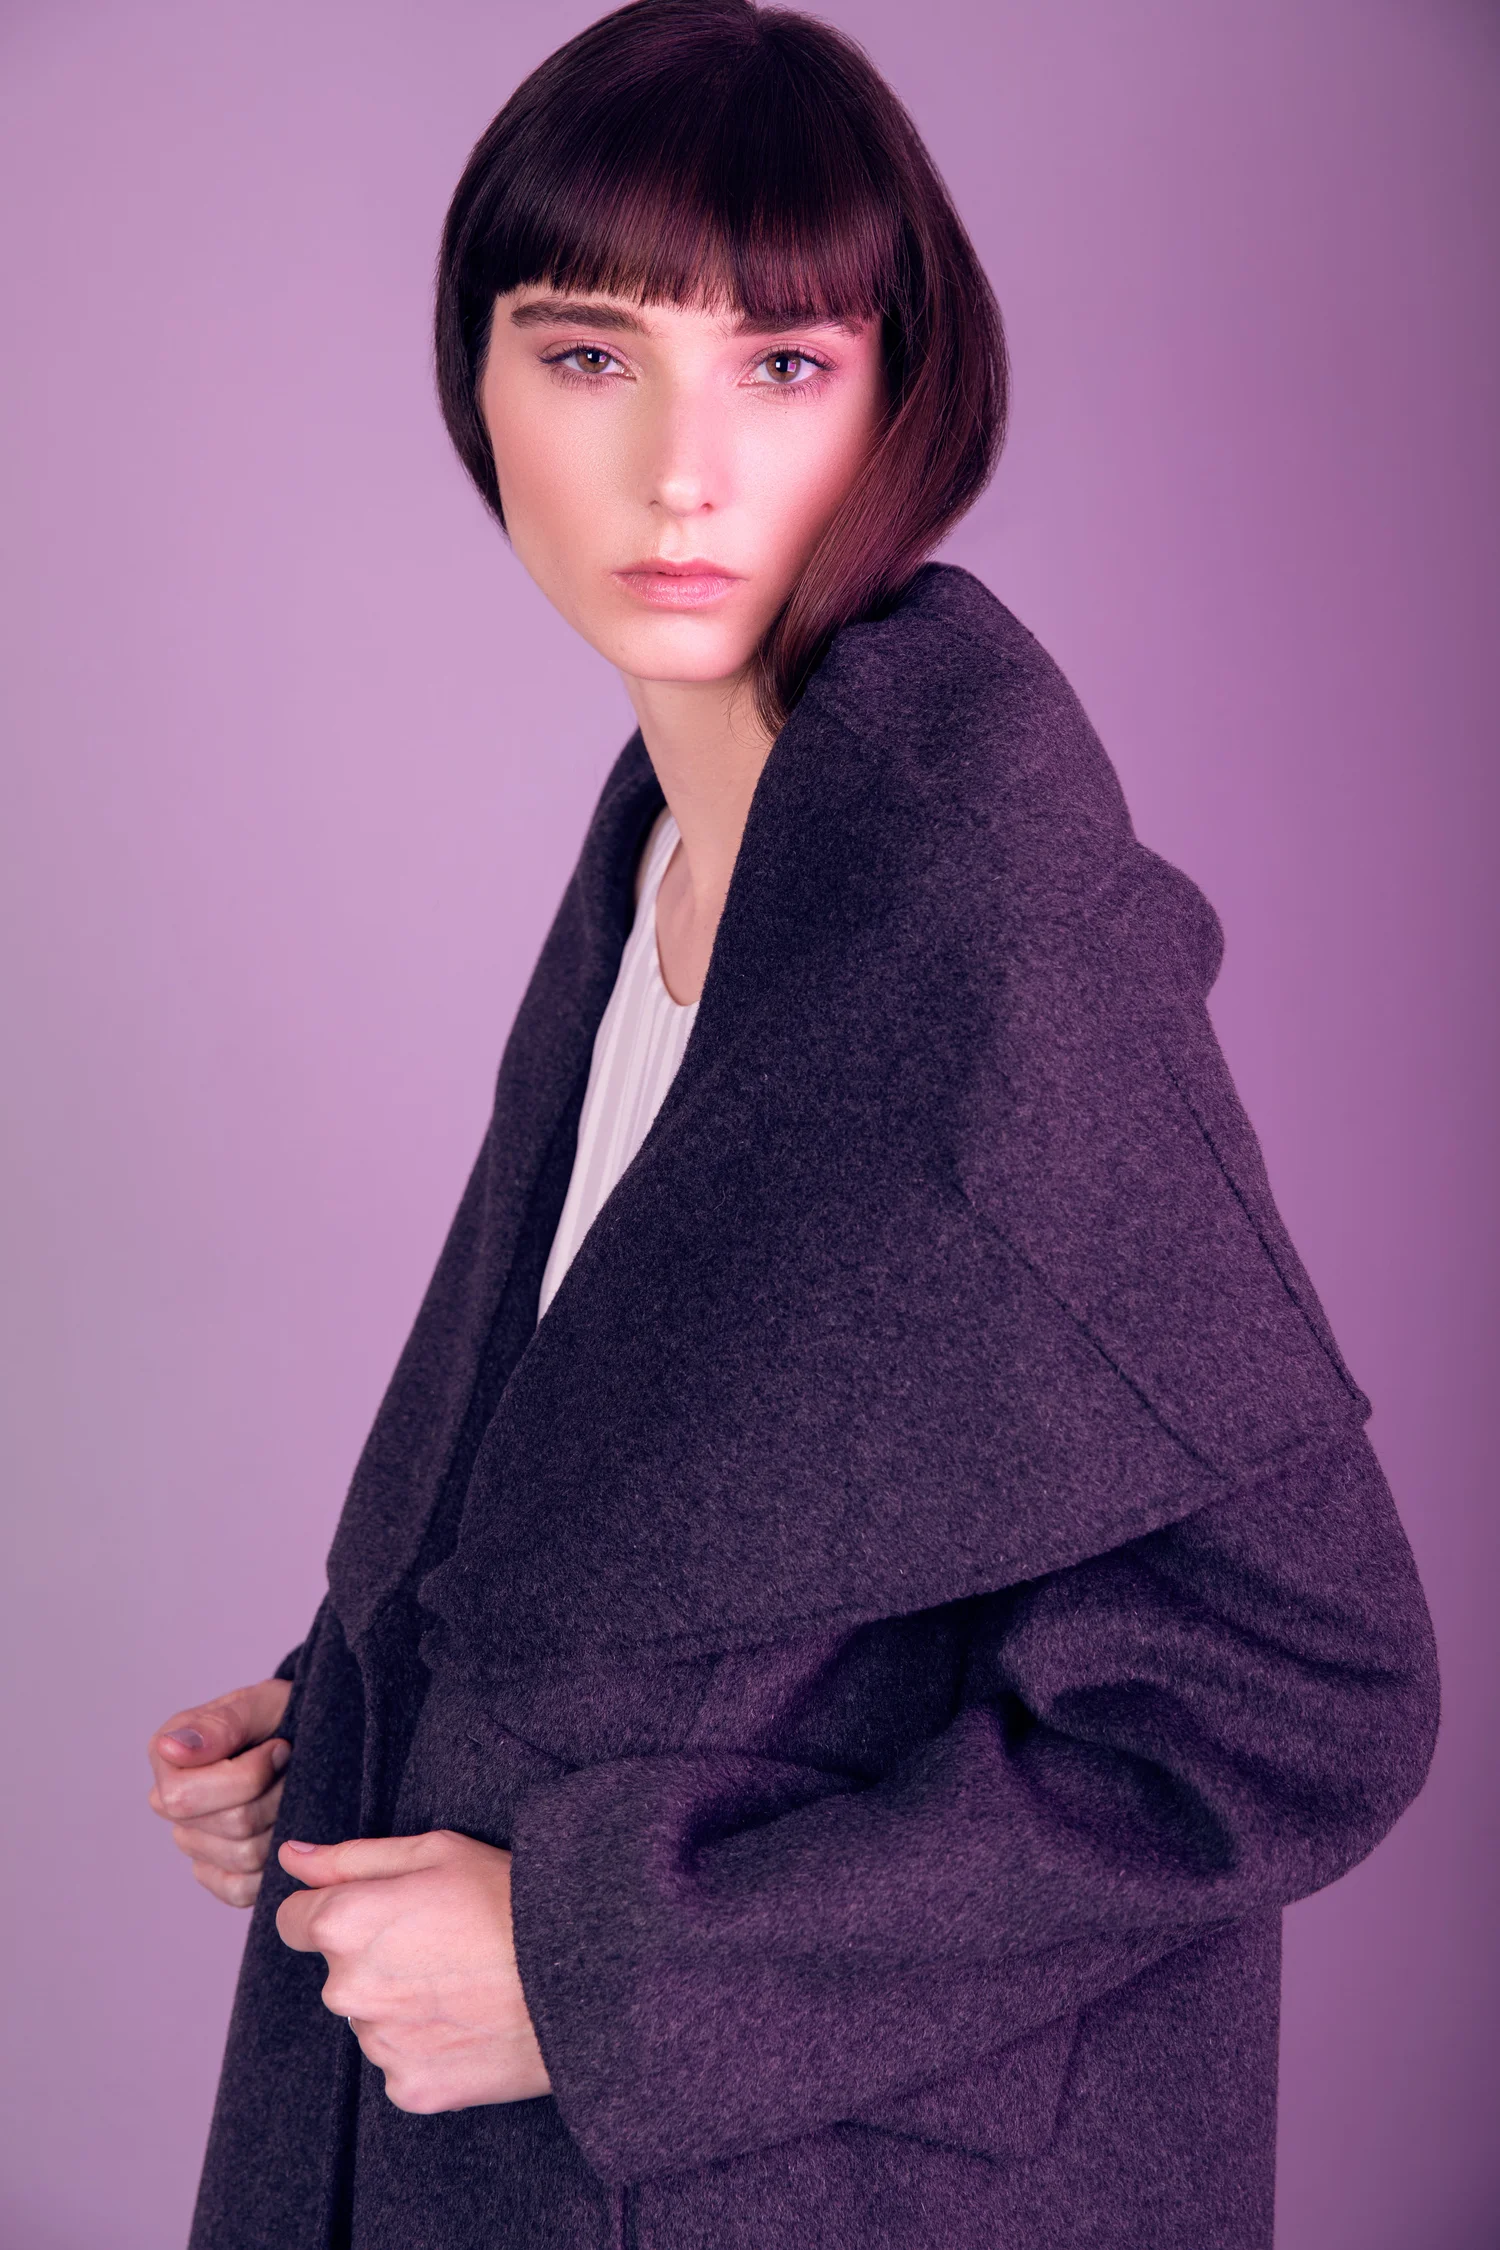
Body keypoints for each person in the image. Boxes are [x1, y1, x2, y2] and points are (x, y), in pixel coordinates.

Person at [145, 5, 1440, 2246]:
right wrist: (350, 1718)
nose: (682, 470)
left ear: (900, 396)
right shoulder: (689, 828)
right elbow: (735, 1499)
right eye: (590, 356)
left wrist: (598, 1968)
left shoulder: (985, 920)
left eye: (781, 364)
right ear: (476, 387)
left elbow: (1304, 1692)